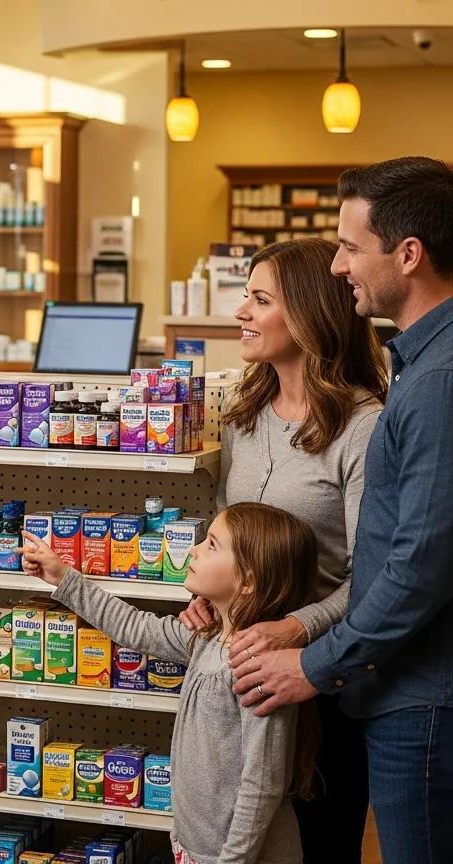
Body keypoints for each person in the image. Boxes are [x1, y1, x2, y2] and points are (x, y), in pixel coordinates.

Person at [231, 157, 453, 864]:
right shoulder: (417, 365)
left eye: (351, 247)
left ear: (408, 254)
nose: (337, 265)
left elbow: (414, 565)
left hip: (414, 695)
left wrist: (315, 660)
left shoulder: (435, 383)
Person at [179, 237, 387, 863]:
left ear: (310, 314)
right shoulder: (242, 418)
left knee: (317, 845)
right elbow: (227, 542)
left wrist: (296, 629)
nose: (240, 311)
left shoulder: (363, 424)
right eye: (246, 295)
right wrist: (204, 602)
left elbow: (372, 577)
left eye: (259, 298)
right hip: (241, 687)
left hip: (320, 686)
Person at [22, 503, 318, 864]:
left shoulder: (256, 670)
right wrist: (63, 577)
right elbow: (134, 627)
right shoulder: (206, 638)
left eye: (211, 544)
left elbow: (262, 786)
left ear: (249, 581)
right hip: (196, 847)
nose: (193, 550)